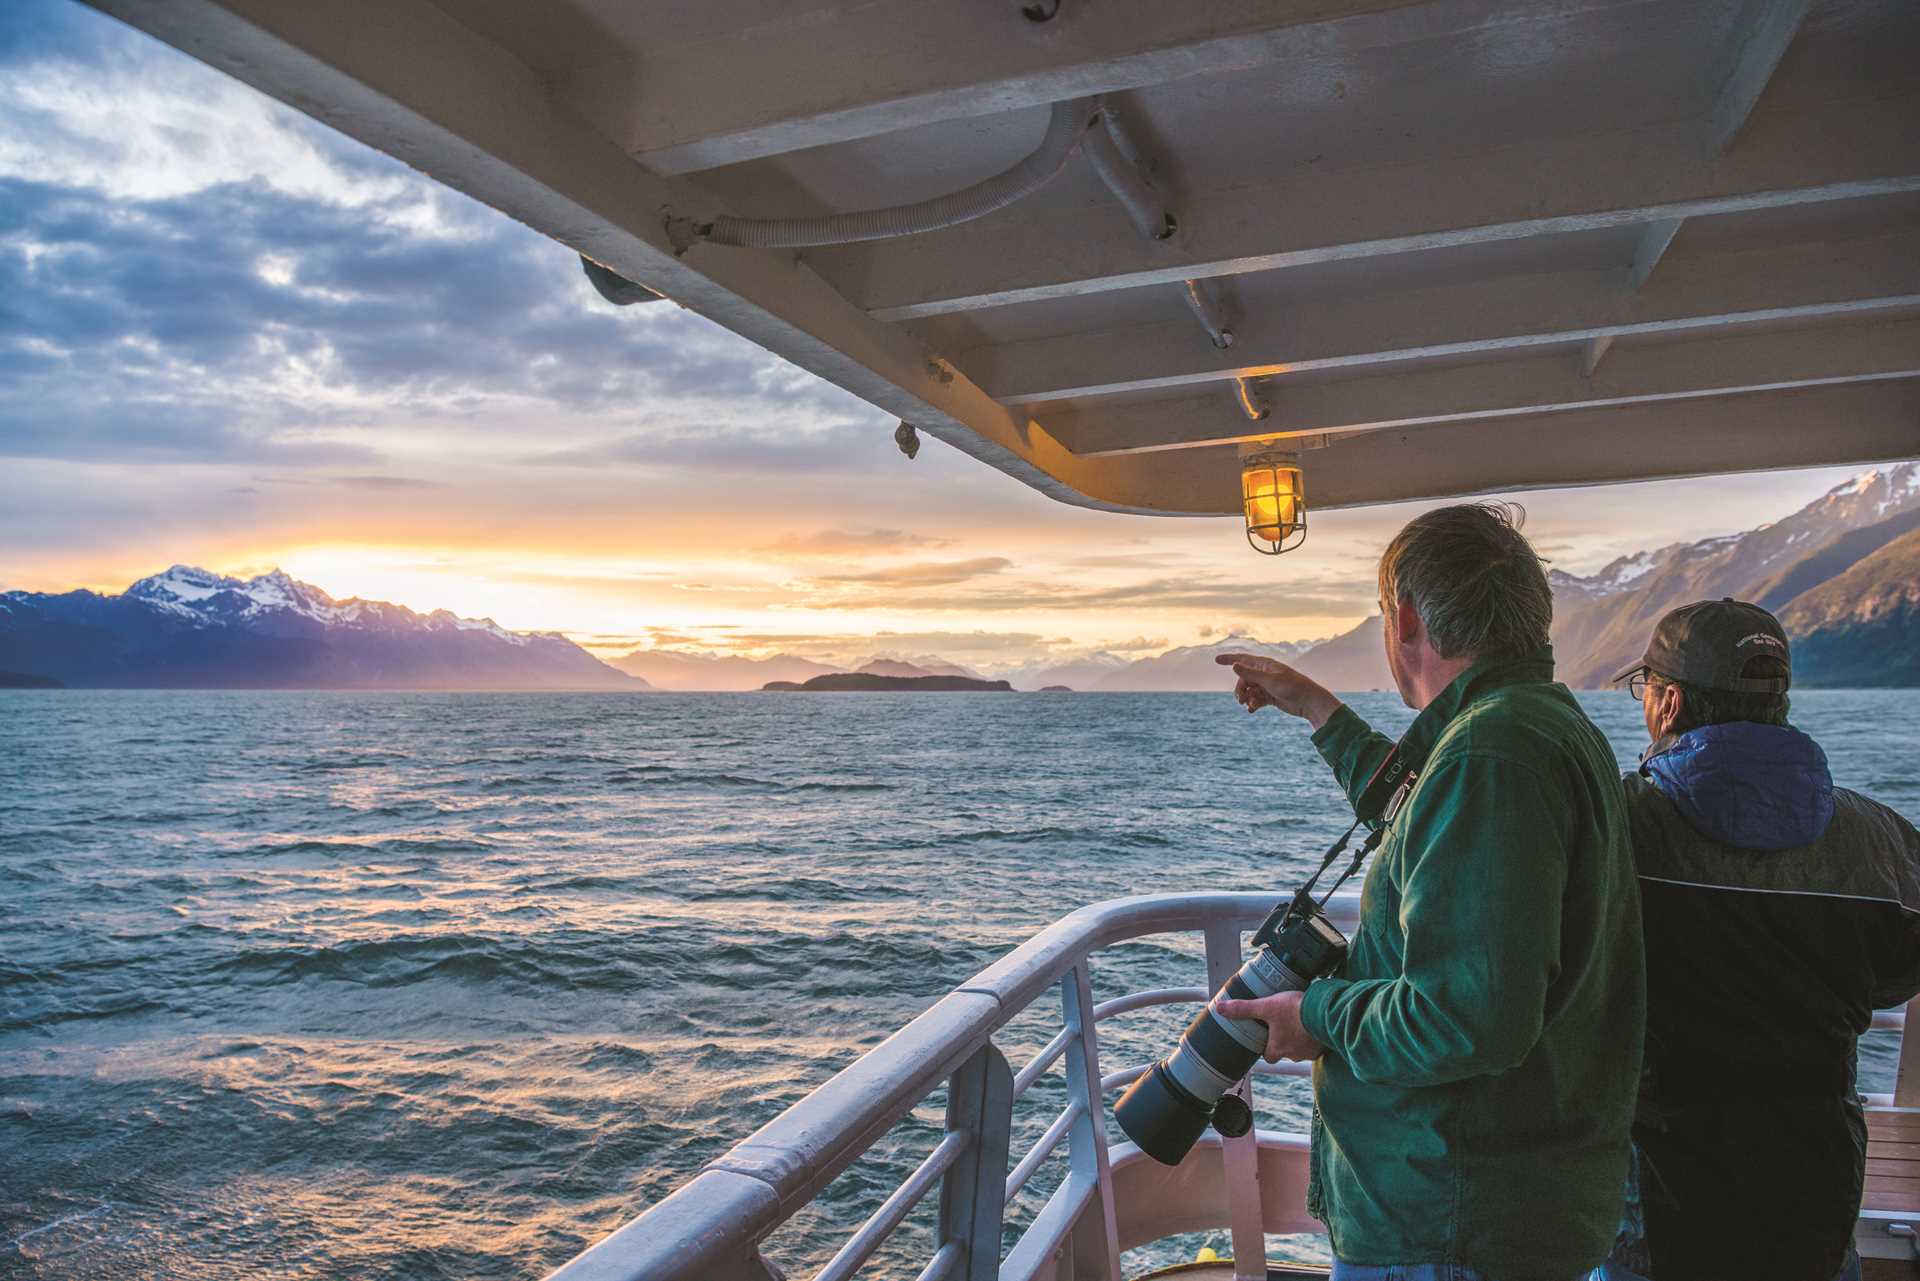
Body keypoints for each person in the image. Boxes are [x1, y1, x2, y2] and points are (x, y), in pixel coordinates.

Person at [1213, 502, 1643, 1281]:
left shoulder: (1489, 753)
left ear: (1405, 619)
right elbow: (1421, 804)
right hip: (1504, 1204)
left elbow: (1465, 1018)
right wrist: (1316, 707)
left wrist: (1313, 1015)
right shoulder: (1533, 723)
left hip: (1450, 1221)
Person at [1602, 599, 1920, 1281]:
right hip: (1815, 1201)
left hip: (1654, 1211)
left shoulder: (1618, 828)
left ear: (1669, 702)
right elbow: (1897, 971)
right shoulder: (1879, 841)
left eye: (1645, 687)